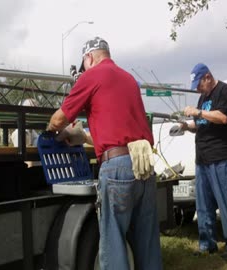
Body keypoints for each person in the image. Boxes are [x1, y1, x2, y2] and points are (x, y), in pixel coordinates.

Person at [47, 37, 163, 270]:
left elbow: (60, 118)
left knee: (113, 239)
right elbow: (121, 130)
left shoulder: (92, 75)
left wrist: (50, 131)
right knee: (147, 240)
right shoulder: (129, 79)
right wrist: (85, 137)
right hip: (143, 164)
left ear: (89, 57)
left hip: (118, 169)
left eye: (84, 64)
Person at [179, 63, 227, 260]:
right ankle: (207, 244)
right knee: (203, 206)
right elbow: (202, 123)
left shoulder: (223, 91)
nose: (198, 89)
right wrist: (186, 126)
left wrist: (198, 112)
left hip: (222, 158)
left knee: (226, 204)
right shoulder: (203, 97)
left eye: (199, 84)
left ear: (207, 77)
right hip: (203, 160)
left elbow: (222, 117)